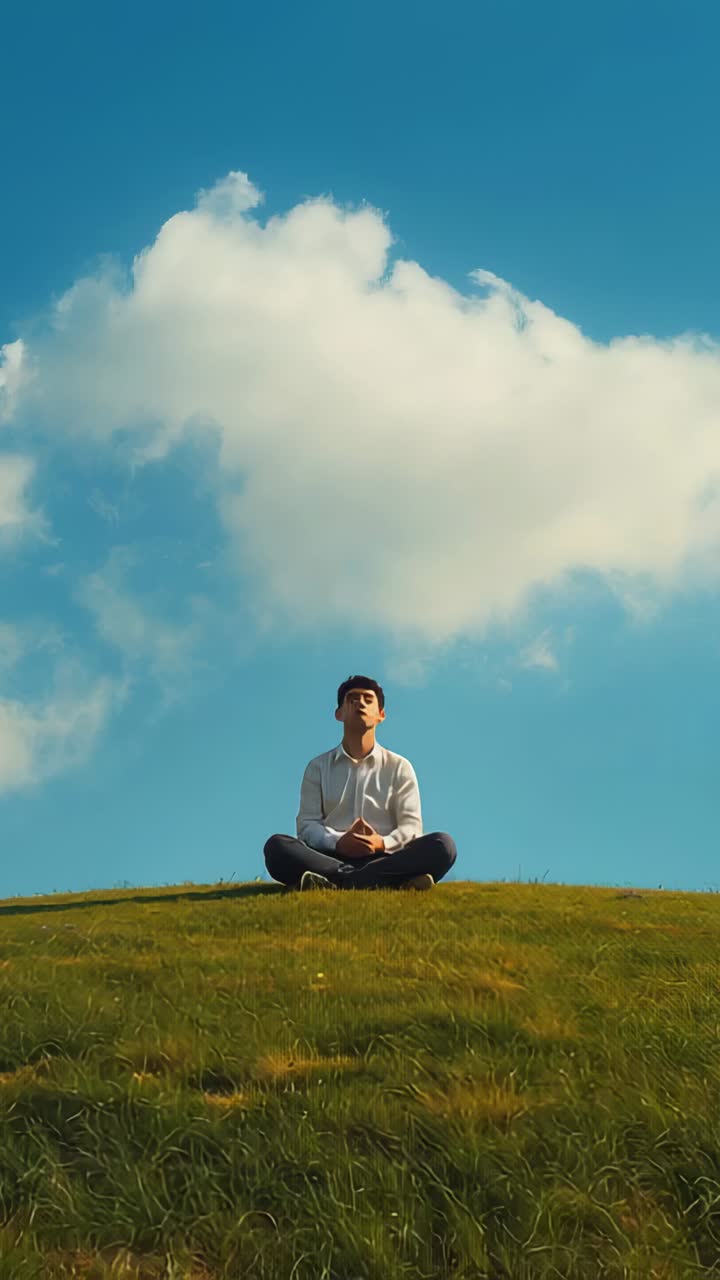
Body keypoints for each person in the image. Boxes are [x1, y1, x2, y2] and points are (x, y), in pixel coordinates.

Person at [264, 675, 457, 891]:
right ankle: (380, 882)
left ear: (381, 715)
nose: (360, 703)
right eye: (352, 698)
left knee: (443, 845)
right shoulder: (318, 767)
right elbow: (307, 825)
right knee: (277, 847)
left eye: (368, 699)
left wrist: (380, 843)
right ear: (339, 713)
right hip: (330, 859)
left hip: (385, 859)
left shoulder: (399, 766)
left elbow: (411, 827)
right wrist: (338, 842)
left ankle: (341, 882)